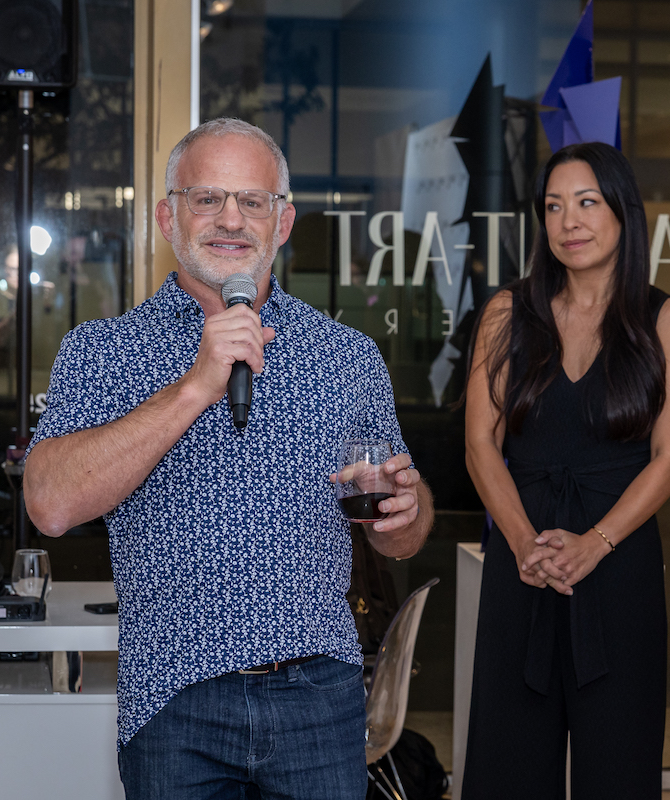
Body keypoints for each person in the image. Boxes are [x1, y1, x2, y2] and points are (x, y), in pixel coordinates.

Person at [23, 118, 434, 799]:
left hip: (321, 701)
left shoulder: (348, 356)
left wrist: (402, 513)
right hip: (174, 702)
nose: (231, 219)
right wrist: (196, 385)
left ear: (284, 220)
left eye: (253, 200)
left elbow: (402, 537)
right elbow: (50, 505)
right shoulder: (102, 351)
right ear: (167, 216)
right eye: (207, 197)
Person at [460, 142, 670, 798]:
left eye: (588, 202)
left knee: (617, 766)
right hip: (524, 561)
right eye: (554, 206)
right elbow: (479, 444)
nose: (569, 220)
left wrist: (595, 544)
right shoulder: (509, 313)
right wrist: (520, 544)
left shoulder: (668, 321)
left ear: (624, 212)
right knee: (508, 761)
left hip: (619, 563)